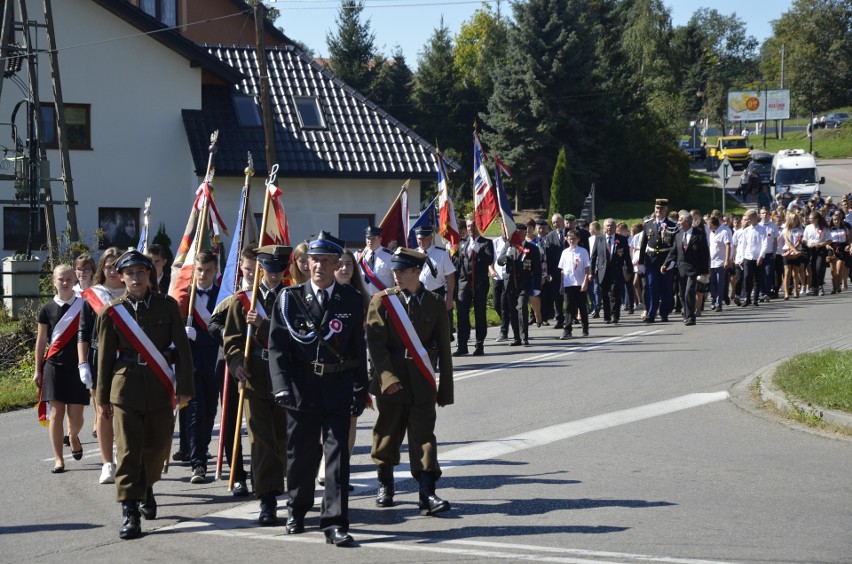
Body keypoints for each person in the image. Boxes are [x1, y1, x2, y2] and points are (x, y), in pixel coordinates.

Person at [269, 233, 368, 547]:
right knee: (301, 455)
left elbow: (357, 348)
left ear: (338, 264)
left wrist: (360, 388)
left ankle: (335, 522)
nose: (320, 267)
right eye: (315, 260)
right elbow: (277, 349)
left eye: (327, 261)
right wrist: (281, 386)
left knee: (338, 457)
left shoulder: (350, 300)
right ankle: (297, 510)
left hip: (337, 387)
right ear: (306, 263)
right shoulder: (289, 299)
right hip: (301, 389)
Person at [96, 250, 194, 540]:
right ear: (121, 277)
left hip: (160, 385)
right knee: (127, 450)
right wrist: (102, 398)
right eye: (130, 274)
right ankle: (129, 511)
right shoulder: (112, 311)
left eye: (141, 272)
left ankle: (147, 486)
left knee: (156, 448)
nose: (136, 278)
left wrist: (185, 388)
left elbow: (183, 351)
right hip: (125, 387)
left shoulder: (167, 307)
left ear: (149, 275)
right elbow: (103, 358)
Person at [366, 247, 454, 515]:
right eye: (395, 270)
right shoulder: (382, 302)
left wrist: (445, 389)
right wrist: (386, 378)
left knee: (424, 437)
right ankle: (385, 484)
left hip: (422, 380)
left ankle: (427, 493)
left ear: (418, 272)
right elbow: (375, 346)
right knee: (387, 434)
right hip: (392, 380)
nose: (397, 275)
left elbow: (443, 348)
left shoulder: (435, 304)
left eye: (403, 271)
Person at [223, 245, 291, 524]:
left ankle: (280, 484)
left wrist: (263, 325)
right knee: (261, 439)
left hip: (286, 374)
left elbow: (295, 336)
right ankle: (267, 497)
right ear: (261, 268)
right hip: (256, 375)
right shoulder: (243, 300)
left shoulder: (293, 297)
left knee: (281, 438)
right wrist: (237, 362)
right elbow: (231, 339)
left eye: (279, 271)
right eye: (269, 270)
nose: (274, 276)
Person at [206, 247, 255, 498]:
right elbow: (212, 323)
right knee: (232, 422)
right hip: (232, 364)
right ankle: (237, 474)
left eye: (257, 268)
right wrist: (231, 332)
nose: (253, 273)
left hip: (262, 366)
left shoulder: (271, 293)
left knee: (261, 423)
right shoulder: (232, 295)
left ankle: (260, 471)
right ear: (241, 268)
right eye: (248, 269)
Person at [78, 247, 126, 485]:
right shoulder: (93, 295)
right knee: (103, 411)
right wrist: (83, 363)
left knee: (126, 411)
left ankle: (123, 454)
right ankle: (108, 463)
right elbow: (83, 332)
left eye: (118, 266)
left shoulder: (135, 292)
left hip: (128, 358)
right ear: (102, 269)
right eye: (109, 266)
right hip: (100, 358)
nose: (114, 271)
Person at [34, 265, 88, 473]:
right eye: (60, 279)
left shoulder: (84, 306)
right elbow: (41, 341)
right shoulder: (47, 309)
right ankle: (59, 459)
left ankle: (73, 436)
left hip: (78, 366)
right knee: (56, 413)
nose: (64, 283)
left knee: (76, 416)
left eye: (68, 279)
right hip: (54, 366)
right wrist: (38, 369)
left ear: (74, 280)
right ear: (54, 281)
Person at [184, 250, 220, 485]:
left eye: (208, 270)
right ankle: (198, 463)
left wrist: (199, 336)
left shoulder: (222, 295)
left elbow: (224, 333)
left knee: (209, 413)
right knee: (195, 413)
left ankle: (203, 449)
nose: (204, 274)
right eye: (200, 270)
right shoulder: (185, 296)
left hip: (215, 362)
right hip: (191, 364)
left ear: (216, 271)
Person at [455, 214, 494, 356]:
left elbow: (489, 260)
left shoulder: (486, 243)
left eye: (473, 226)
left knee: (480, 315)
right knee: (462, 315)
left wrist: (478, 250)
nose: (471, 229)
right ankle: (462, 345)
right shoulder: (462, 244)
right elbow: (459, 264)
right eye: (469, 226)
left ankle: (479, 345)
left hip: (479, 284)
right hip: (464, 284)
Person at [497, 223, 541, 346]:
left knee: (522, 307)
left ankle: (524, 337)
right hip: (510, 284)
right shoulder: (509, 245)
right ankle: (516, 338)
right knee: (512, 311)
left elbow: (537, 269)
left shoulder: (532, 249)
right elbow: (499, 261)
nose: (520, 234)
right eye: (517, 232)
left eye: (522, 232)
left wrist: (537, 287)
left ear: (525, 233)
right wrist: (507, 255)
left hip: (524, 283)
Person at [664, 211, 710, 326]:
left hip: (693, 269)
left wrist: (705, 271)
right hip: (680, 268)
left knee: (689, 292)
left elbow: (704, 254)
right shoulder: (678, 235)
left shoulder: (698, 235)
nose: (678, 222)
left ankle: (690, 317)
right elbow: (673, 252)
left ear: (687, 222)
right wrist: (665, 264)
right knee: (682, 293)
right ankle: (686, 312)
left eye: (680, 220)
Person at [639, 198, 678, 323]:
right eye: (656, 208)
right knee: (651, 286)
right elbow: (643, 244)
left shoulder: (672, 225)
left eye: (661, 209)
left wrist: (670, 262)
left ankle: (664, 313)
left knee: (665, 287)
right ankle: (651, 313)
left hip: (665, 260)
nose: (658, 211)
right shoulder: (648, 224)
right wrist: (640, 262)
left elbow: (674, 246)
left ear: (666, 210)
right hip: (651, 260)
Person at [414, 225, 456, 335]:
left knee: (440, 328)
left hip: (437, 294)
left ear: (430, 238)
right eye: (419, 239)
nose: (421, 241)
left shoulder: (441, 254)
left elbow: (450, 276)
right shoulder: (413, 254)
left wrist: (450, 297)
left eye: (424, 238)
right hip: (419, 295)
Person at [72, 254, 96, 439]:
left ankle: (98, 419)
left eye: (86, 269)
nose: (82, 273)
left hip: (92, 340)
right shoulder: (70, 291)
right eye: (79, 269)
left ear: (93, 271)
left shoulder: (97, 292)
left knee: (94, 385)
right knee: (73, 387)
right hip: (73, 342)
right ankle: (70, 429)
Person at [590, 218, 632, 324]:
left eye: (611, 225)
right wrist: (591, 271)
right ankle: (607, 316)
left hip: (616, 270)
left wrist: (629, 270)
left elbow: (627, 257)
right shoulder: (599, 238)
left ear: (615, 228)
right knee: (605, 293)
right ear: (604, 228)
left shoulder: (621, 239)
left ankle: (615, 315)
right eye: (607, 226)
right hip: (602, 271)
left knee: (615, 293)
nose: (609, 227)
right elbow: (594, 256)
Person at [557, 229, 591, 339]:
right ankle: (567, 330)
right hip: (568, 283)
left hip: (580, 283)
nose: (571, 240)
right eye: (569, 238)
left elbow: (587, 268)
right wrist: (561, 285)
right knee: (568, 307)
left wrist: (585, 281)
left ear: (578, 239)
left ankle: (585, 327)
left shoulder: (582, 251)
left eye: (574, 239)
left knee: (582, 306)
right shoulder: (565, 252)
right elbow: (562, 270)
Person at [737, 209, 768, 306]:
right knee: (747, 278)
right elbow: (743, 245)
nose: (748, 220)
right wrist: (741, 258)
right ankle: (747, 298)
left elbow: (765, 243)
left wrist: (761, 255)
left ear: (755, 218)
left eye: (749, 218)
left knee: (757, 279)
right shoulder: (746, 230)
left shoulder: (762, 229)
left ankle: (755, 299)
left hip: (758, 257)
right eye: (747, 219)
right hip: (748, 257)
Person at [544, 214, 567, 329]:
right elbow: (547, 256)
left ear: (563, 222)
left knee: (570, 295)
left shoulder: (571, 233)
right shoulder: (549, 237)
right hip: (556, 271)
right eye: (554, 223)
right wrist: (548, 272)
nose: (556, 224)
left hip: (570, 270)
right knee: (557, 296)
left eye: (558, 222)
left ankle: (570, 317)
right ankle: (559, 319)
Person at [357, 226, 394, 296]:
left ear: (380, 239)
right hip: (365, 298)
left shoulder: (390, 256)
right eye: (368, 238)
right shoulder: (359, 256)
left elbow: (396, 279)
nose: (370, 241)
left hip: (384, 298)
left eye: (373, 238)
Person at [803, 211, 830, 296]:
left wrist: (821, 244)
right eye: (809, 218)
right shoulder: (808, 227)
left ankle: (820, 286)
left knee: (819, 267)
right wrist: (808, 244)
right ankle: (815, 287)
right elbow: (804, 239)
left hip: (820, 249)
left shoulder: (823, 227)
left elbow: (829, 239)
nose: (810, 220)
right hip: (811, 249)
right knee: (812, 268)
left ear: (817, 219)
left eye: (812, 219)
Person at [708, 216, 731, 311]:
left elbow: (728, 246)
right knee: (711, 284)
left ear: (713, 224)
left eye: (709, 225)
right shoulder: (711, 233)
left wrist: (727, 260)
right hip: (711, 263)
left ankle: (719, 303)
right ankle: (714, 299)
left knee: (719, 283)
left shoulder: (723, 232)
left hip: (720, 262)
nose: (708, 227)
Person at [781, 212, 805, 300]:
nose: (795, 221)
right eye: (794, 219)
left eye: (796, 219)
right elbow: (787, 242)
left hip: (796, 252)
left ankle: (796, 290)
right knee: (787, 273)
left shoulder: (799, 230)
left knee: (796, 272)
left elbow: (799, 241)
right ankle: (786, 292)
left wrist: (793, 250)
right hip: (786, 251)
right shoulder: (785, 230)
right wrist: (789, 251)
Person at [827, 211, 849, 294]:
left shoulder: (844, 229)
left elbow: (848, 239)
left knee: (839, 270)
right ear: (832, 220)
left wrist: (848, 245)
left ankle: (838, 285)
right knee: (833, 271)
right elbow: (826, 242)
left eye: (838, 219)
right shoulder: (829, 230)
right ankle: (834, 287)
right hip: (832, 249)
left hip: (842, 249)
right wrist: (829, 247)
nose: (836, 221)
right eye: (835, 220)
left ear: (840, 220)